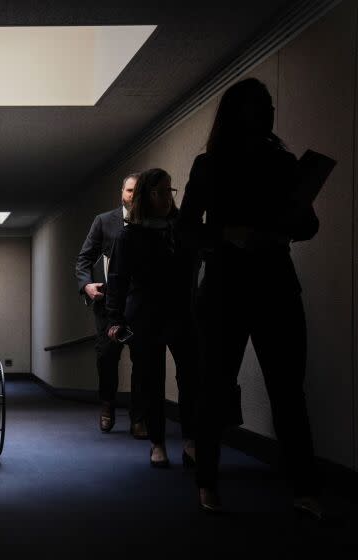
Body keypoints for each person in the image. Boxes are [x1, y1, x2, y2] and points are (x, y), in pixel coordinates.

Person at [177, 78, 323, 517]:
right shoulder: (210, 165)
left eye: (267, 107)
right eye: (257, 107)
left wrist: (289, 218)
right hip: (228, 285)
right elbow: (186, 230)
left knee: (287, 392)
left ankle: (302, 488)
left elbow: (308, 227)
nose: (264, 114)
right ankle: (208, 482)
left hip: (272, 283)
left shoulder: (284, 163)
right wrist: (227, 234)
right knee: (215, 388)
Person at [105, 168, 199, 469]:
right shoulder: (129, 235)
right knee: (151, 379)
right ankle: (157, 442)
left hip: (182, 311)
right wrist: (114, 319)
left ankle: (191, 440)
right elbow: (118, 279)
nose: (167, 197)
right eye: (161, 191)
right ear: (148, 196)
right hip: (145, 314)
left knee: (190, 378)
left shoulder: (181, 229)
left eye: (170, 190)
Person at [75, 174, 147, 438]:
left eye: (137, 192)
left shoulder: (152, 223)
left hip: (140, 304)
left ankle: (139, 417)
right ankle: (107, 405)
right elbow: (84, 259)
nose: (132, 196)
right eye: (129, 191)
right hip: (108, 304)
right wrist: (87, 285)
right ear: (122, 192)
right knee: (107, 358)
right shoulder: (104, 221)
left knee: (142, 359)